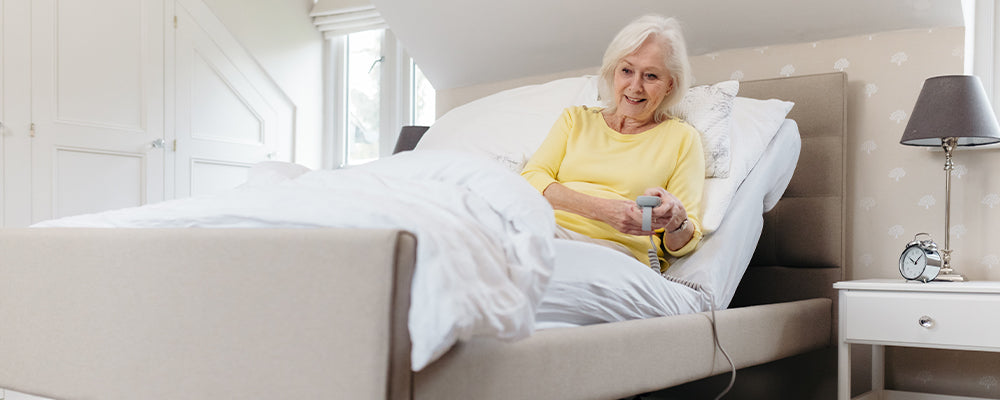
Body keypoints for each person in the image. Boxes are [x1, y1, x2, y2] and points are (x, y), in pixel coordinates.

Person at [521, 15, 704, 271]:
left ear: (669, 85)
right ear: (613, 72)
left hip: (612, 252)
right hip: (543, 230)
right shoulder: (575, 119)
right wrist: (604, 210)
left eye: (651, 76)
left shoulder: (682, 139)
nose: (635, 86)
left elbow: (683, 244)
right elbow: (530, 179)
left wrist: (676, 219)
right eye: (626, 71)